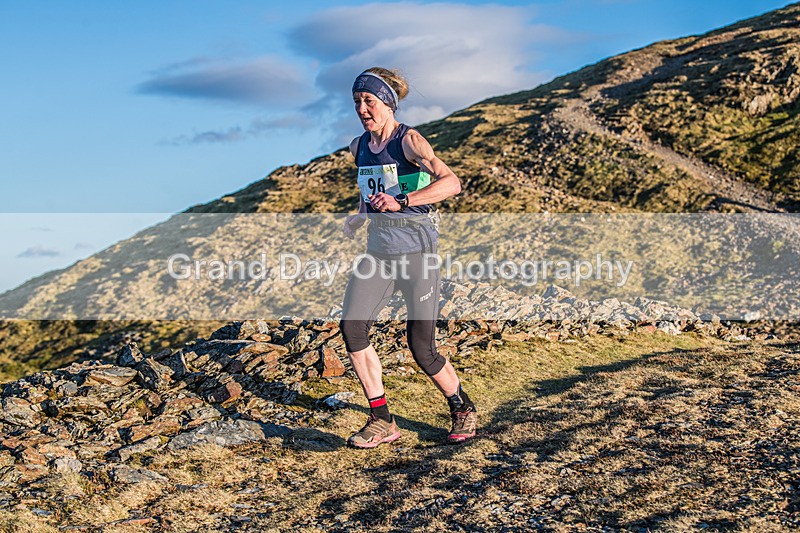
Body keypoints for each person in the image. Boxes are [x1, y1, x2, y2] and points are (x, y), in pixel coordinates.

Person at [340, 67, 478, 448]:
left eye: (369, 101)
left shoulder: (410, 140)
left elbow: (452, 183)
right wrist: (361, 214)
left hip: (417, 253)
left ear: (388, 103)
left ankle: (462, 406)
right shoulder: (358, 147)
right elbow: (373, 191)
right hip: (378, 253)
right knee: (352, 329)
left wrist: (402, 201)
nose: (362, 109)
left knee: (422, 347)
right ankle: (381, 420)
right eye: (357, 102)